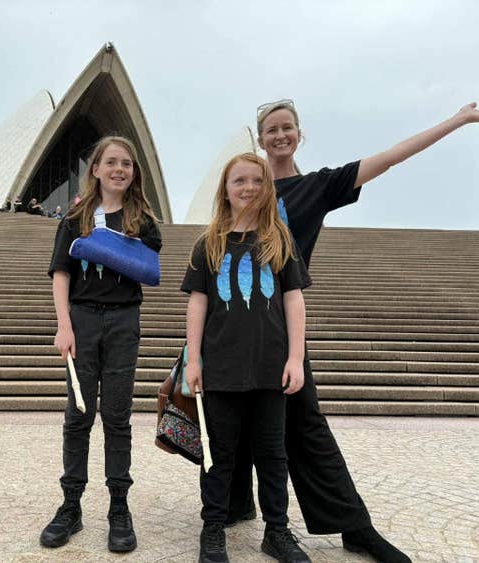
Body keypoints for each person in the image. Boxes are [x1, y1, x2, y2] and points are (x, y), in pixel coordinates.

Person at [227, 100, 479, 562]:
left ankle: (353, 526)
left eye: (287, 128)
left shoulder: (318, 187)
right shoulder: (246, 190)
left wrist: (459, 119)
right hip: (232, 325)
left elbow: (393, 155)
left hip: (280, 325)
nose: (279, 136)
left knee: (305, 422)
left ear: (299, 134)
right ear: (259, 139)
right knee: (234, 412)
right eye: (270, 130)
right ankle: (234, 501)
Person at [182, 153, 311, 563]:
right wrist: (194, 360)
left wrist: (295, 357)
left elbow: (294, 301)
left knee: (273, 456)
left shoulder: (280, 239)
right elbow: (197, 305)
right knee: (218, 456)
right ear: (226, 188)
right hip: (221, 368)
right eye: (240, 180)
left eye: (257, 180)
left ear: (267, 188)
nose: (249, 188)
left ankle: (277, 531)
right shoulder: (209, 243)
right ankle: (213, 528)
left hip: (271, 368)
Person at [41, 135, 161, 554]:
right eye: (110, 162)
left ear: (133, 173)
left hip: (124, 321)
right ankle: (71, 505)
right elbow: (61, 273)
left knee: (117, 416)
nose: (119, 169)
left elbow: (150, 269)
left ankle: (118, 508)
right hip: (82, 318)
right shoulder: (76, 218)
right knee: (78, 414)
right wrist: (63, 326)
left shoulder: (142, 220)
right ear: (95, 169)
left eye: (126, 163)